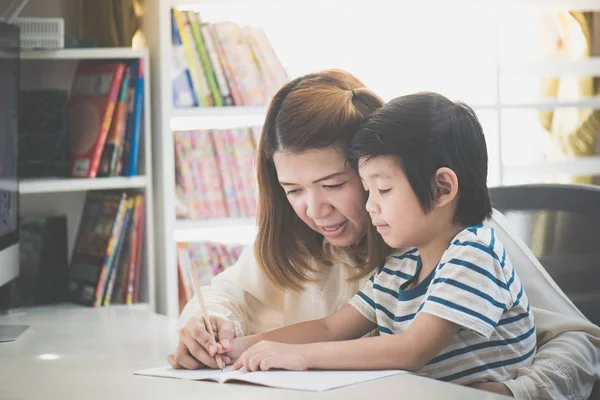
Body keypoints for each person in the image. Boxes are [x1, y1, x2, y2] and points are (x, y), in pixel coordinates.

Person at [170, 69, 600, 398]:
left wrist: (516, 391)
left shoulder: (466, 245)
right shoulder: (379, 262)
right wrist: (219, 341)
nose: (314, 210)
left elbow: (577, 339)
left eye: (335, 185)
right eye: (293, 190)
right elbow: (243, 301)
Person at [228, 92, 537, 388]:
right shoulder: (400, 265)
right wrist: (237, 347)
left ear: (441, 188)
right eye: (367, 189)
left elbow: (411, 350)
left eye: (384, 190)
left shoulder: (475, 253)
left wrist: (300, 355)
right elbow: (331, 328)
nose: (369, 205)